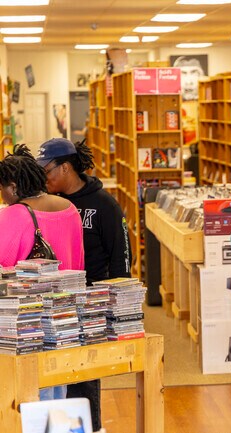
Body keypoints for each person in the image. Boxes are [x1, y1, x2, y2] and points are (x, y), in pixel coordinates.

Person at [36, 137, 132, 432]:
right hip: (54, 304)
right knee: (55, 377)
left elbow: (121, 257)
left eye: (47, 170)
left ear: (65, 168)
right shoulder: (47, 204)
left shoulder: (104, 205)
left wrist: (118, 312)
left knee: (85, 377)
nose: (43, 177)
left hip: (91, 306)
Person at [0, 144, 85, 400]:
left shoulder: (14, 215)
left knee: (28, 401)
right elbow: (78, 262)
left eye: (2, 189)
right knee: (57, 396)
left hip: (26, 325)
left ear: (14, 187)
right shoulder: (69, 209)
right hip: (65, 319)